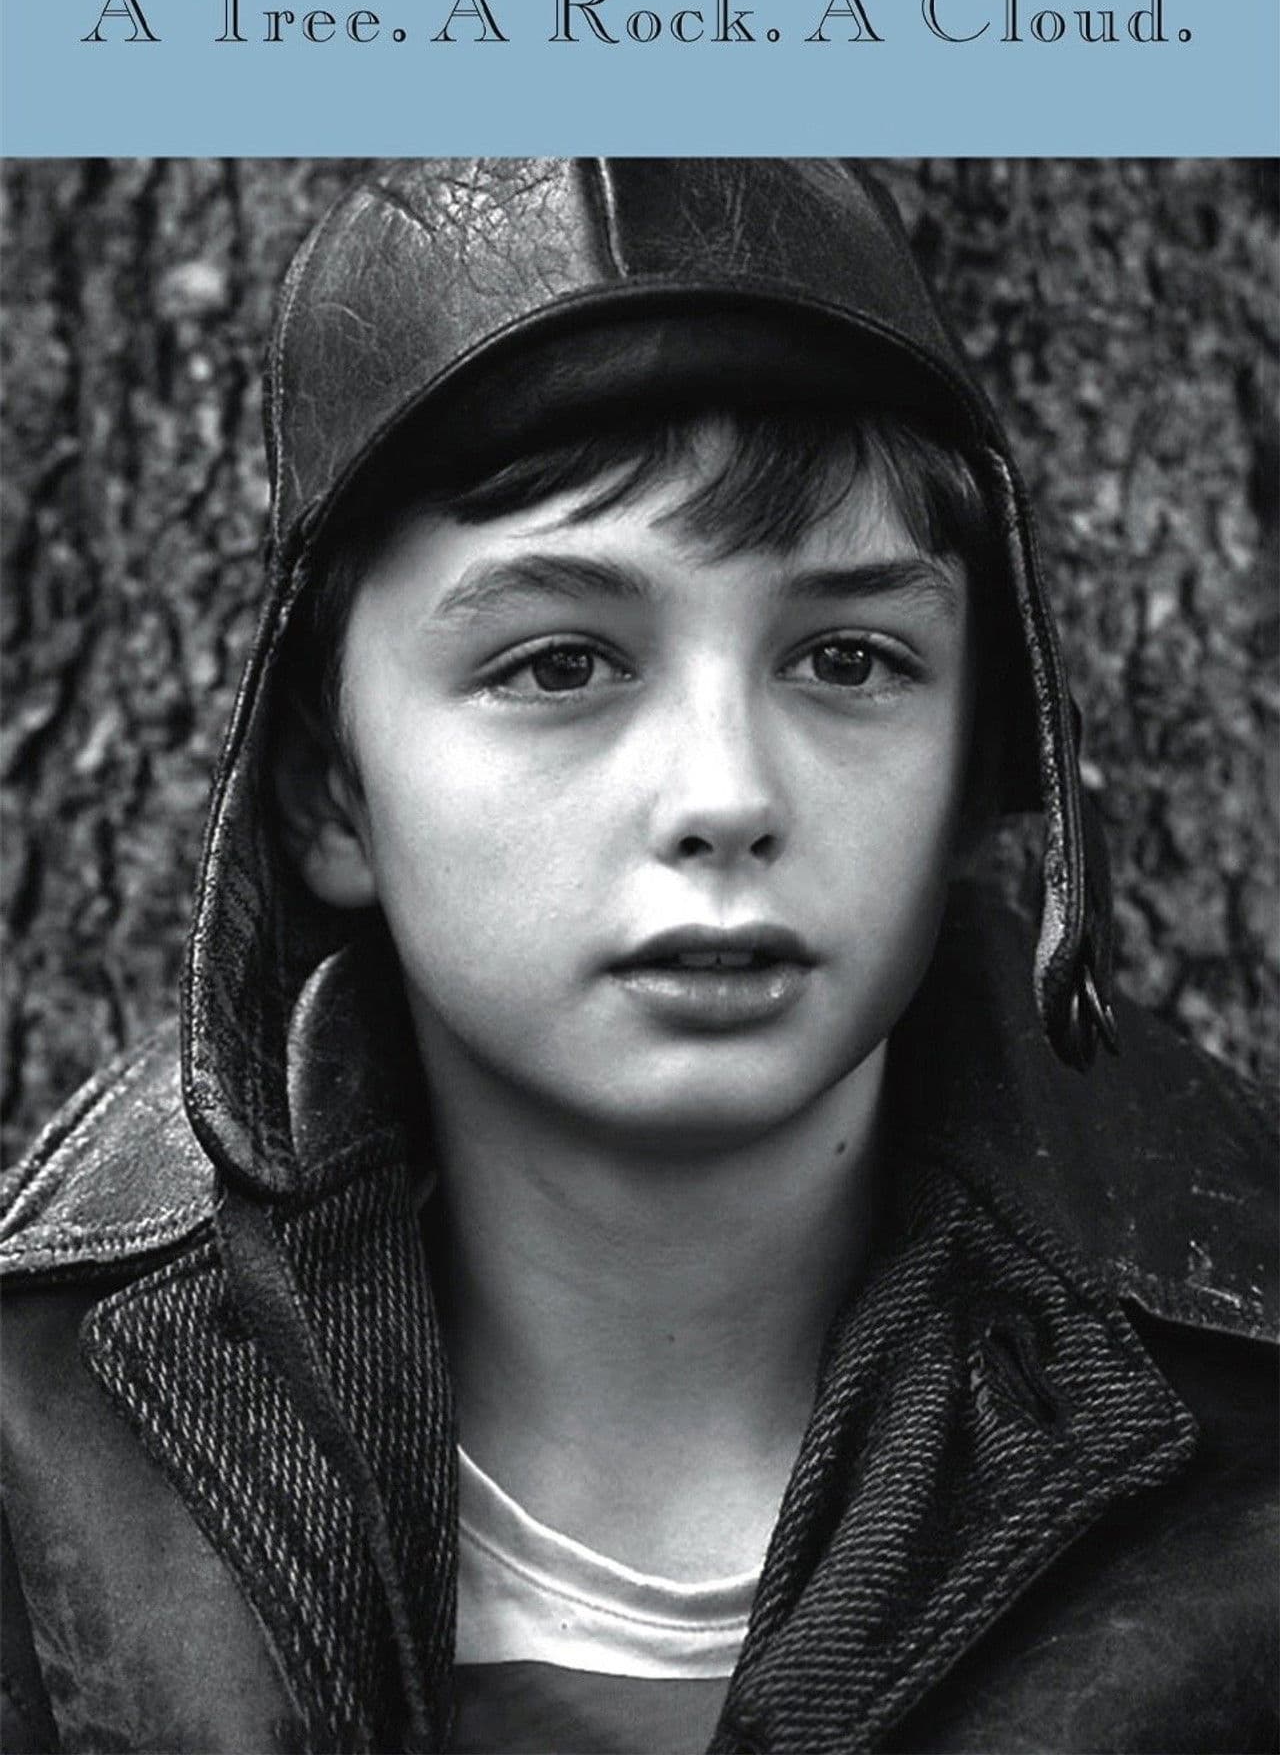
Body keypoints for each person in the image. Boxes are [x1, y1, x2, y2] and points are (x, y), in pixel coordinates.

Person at [1, 159, 1274, 1755]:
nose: (726, 796)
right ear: (333, 786)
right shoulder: (50, 1421)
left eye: (850, 658)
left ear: (976, 758)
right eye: (561, 663)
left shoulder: (1244, 1418)